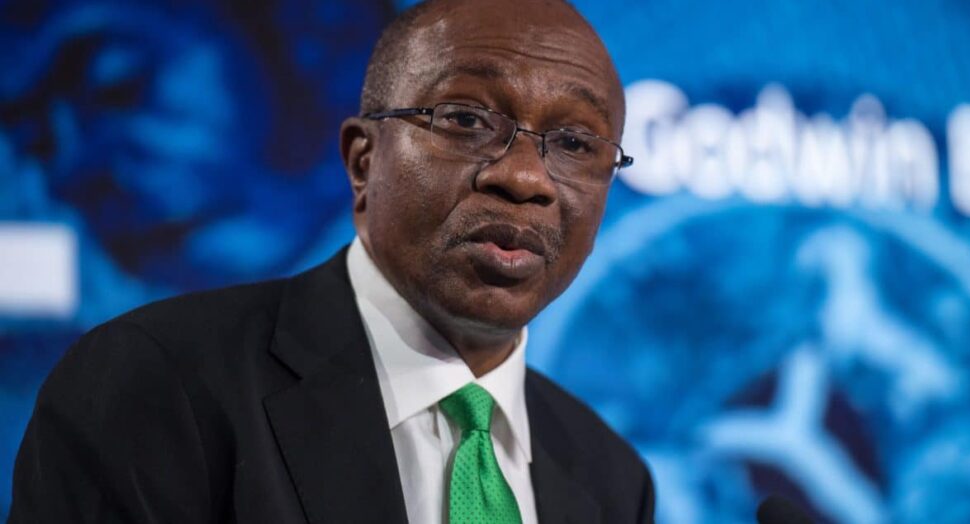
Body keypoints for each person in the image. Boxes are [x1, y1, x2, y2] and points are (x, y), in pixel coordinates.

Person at [9, 0, 655, 522]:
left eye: (575, 142)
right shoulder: (151, 387)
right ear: (363, 161)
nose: (524, 177)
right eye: (465, 119)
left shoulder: (612, 479)